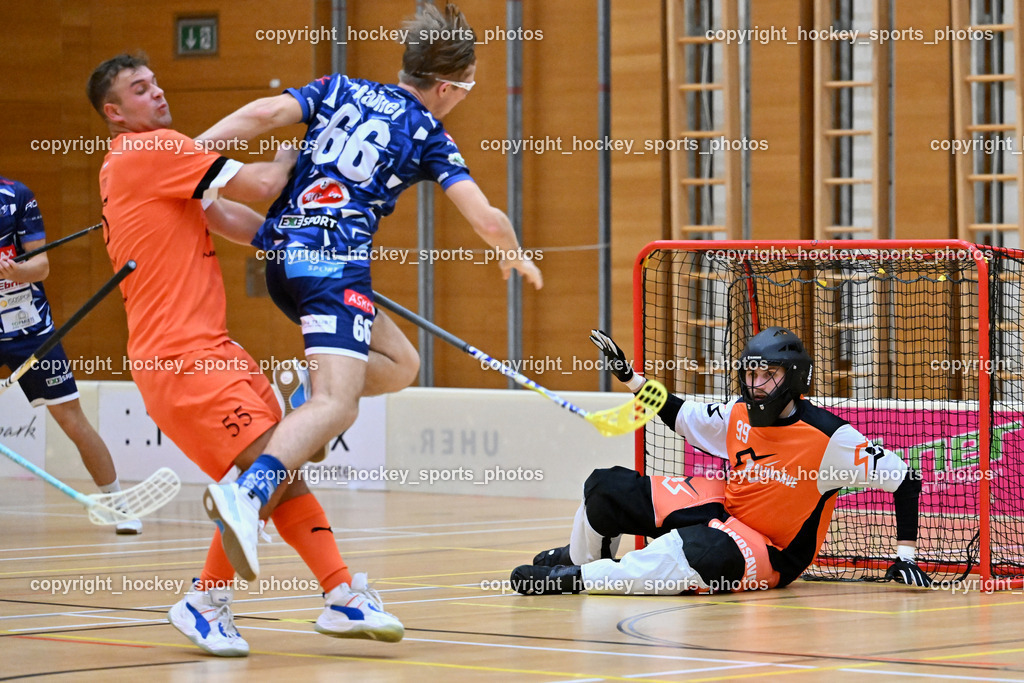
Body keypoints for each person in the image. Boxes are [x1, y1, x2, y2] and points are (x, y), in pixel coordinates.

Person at [192, 2, 543, 585]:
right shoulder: (429, 132)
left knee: (403, 363)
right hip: (331, 267)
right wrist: (513, 253)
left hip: (281, 254)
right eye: (469, 86)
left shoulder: (339, 86)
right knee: (339, 404)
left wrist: (190, 148)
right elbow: (486, 217)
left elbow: (264, 113)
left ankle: (304, 399)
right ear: (449, 87)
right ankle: (246, 494)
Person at [87, 52, 403, 657]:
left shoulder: (160, 163)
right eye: (139, 89)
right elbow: (260, 185)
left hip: (216, 348)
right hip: (177, 357)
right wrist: (296, 153)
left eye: (155, 83)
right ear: (115, 112)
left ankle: (330, 596)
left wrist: (286, 237)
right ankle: (230, 600)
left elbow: (231, 215)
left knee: (276, 471)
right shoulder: (148, 151)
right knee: (262, 466)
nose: (156, 93)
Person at [511, 327, 933, 595]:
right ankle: (580, 559)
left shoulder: (831, 438)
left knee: (699, 551)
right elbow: (678, 413)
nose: (755, 385)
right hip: (727, 508)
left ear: (794, 377)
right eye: (750, 375)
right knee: (607, 486)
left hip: (773, 550)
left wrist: (906, 555)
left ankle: (578, 581)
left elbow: (905, 479)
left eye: (767, 375)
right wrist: (629, 378)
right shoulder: (737, 413)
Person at [0, 176, 141, 535]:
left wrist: (16, 271)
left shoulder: (16, 196)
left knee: (71, 418)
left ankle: (118, 506)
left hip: (28, 329)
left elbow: (41, 266)